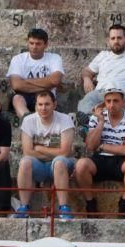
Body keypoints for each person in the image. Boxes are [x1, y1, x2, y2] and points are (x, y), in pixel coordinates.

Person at [74, 88, 125, 217]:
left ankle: (124, 201)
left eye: (115, 101)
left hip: (121, 160)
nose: (111, 105)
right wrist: (100, 123)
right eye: (108, 101)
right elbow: (91, 146)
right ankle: (90, 202)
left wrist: (102, 146)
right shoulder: (97, 118)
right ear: (104, 103)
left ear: (123, 102)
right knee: (81, 165)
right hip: (99, 159)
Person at [15, 91, 76, 219]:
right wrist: (54, 152)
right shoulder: (28, 120)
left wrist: (39, 148)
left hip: (62, 165)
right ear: (36, 106)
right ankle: (23, 207)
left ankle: (63, 207)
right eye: (40, 104)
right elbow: (27, 152)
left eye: (47, 104)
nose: (43, 108)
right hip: (40, 166)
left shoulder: (65, 120)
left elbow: (65, 152)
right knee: (25, 162)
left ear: (54, 104)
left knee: (59, 162)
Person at [7, 29, 64, 120]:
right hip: (24, 95)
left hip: (46, 95)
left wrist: (25, 82)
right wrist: (47, 84)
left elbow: (55, 80)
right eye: (31, 43)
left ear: (46, 45)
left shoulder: (54, 58)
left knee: (44, 100)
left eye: (38, 44)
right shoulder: (18, 59)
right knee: (17, 98)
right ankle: (27, 120)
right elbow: (16, 85)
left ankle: (38, 122)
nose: (34, 47)